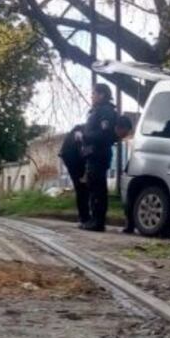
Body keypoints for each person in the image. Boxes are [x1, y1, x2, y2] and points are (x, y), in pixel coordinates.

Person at [81, 83, 121, 232]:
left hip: (99, 153)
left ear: (102, 95)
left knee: (98, 188)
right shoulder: (98, 110)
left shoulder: (106, 111)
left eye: (94, 93)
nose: (91, 96)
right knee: (93, 186)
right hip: (94, 153)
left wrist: (85, 136)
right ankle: (94, 219)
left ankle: (98, 221)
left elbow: (104, 134)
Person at [58, 124, 90, 225]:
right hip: (71, 156)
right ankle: (84, 217)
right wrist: (84, 174)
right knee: (81, 186)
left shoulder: (89, 129)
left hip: (74, 154)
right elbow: (82, 153)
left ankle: (85, 216)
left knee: (84, 186)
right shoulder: (83, 132)